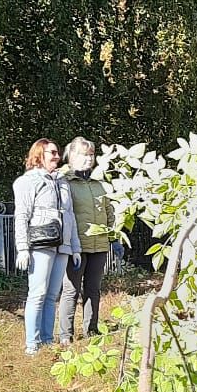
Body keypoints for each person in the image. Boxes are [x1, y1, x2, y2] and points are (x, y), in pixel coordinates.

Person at [13, 139, 81, 354]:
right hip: (40, 243)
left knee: (52, 295)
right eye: (51, 152)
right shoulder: (27, 181)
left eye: (57, 153)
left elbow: (70, 216)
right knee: (38, 293)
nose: (57, 156)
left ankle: (47, 340)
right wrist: (23, 248)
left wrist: (75, 247)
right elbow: (22, 215)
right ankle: (32, 345)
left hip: (62, 245)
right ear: (39, 155)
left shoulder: (62, 182)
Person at [58, 137, 122, 344]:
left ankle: (91, 331)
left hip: (99, 245)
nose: (88, 159)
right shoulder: (64, 181)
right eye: (84, 155)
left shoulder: (98, 183)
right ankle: (65, 335)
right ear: (72, 156)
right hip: (76, 246)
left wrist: (114, 238)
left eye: (91, 155)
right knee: (71, 290)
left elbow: (108, 211)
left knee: (93, 289)